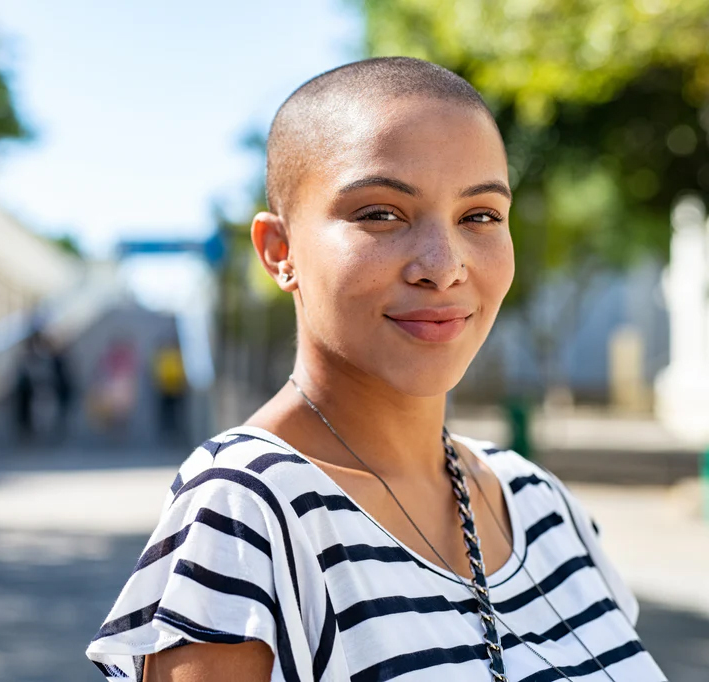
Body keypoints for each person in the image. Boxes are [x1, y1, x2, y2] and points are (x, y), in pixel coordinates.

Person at [86, 58, 665, 682]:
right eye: (381, 214)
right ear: (279, 252)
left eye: (480, 216)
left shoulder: (539, 502)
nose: (442, 267)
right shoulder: (247, 517)